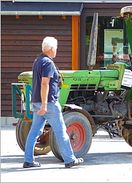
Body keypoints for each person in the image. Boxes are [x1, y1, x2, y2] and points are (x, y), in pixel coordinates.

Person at [23, 36, 83, 168]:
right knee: (61, 131)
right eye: (55, 48)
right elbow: (45, 84)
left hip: (37, 101)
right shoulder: (48, 63)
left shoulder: (37, 61)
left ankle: (28, 160)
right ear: (50, 49)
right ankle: (69, 159)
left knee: (34, 132)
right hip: (48, 103)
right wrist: (44, 105)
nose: (56, 50)